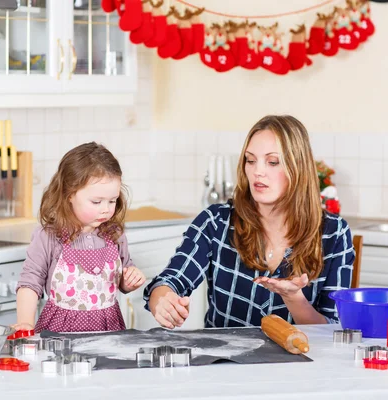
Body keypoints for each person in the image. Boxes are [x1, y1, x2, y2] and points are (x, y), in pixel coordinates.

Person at [144, 115, 354, 329]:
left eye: (272, 162)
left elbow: (333, 331)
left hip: (297, 362)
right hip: (224, 360)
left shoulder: (333, 233)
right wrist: (162, 300)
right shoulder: (217, 222)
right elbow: (170, 280)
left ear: (299, 168)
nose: (257, 171)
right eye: (250, 160)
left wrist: (294, 299)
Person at [13, 142, 146, 333]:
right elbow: (30, 281)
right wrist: (25, 322)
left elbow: (123, 279)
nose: (106, 209)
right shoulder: (49, 236)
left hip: (109, 332)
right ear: (69, 194)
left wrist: (131, 279)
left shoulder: (115, 234)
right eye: (96, 201)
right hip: (60, 336)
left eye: (112, 200)